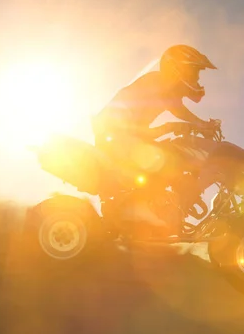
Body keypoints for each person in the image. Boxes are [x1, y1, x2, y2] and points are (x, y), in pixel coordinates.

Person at [91, 44, 218, 230]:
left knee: (169, 154)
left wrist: (201, 124)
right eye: (194, 72)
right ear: (177, 68)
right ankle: (142, 212)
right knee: (162, 158)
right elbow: (172, 112)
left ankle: (159, 208)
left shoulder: (163, 87)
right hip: (114, 136)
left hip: (122, 136)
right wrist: (175, 126)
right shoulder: (155, 83)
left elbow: (178, 110)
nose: (197, 78)